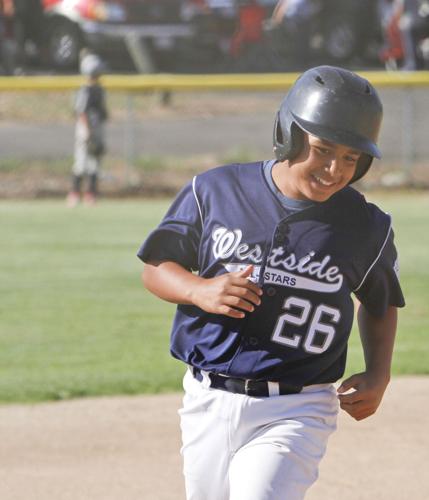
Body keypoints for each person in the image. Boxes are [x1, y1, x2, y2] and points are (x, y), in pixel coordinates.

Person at [137, 66, 405, 500]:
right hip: (207, 397)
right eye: (323, 150)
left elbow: (379, 301)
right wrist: (198, 290)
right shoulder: (216, 190)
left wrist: (380, 373)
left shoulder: (365, 225)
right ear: (289, 134)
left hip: (298, 405)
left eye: (351, 158)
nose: (335, 169)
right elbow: (156, 266)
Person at [67, 50, 108, 207]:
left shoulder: (99, 89)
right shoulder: (85, 90)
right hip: (86, 129)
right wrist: (88, 131)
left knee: (95, 162)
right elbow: (81, 111)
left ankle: (91, 193)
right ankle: (74, 193)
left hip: (96, 128)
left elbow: (103, 113)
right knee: (81, 161)